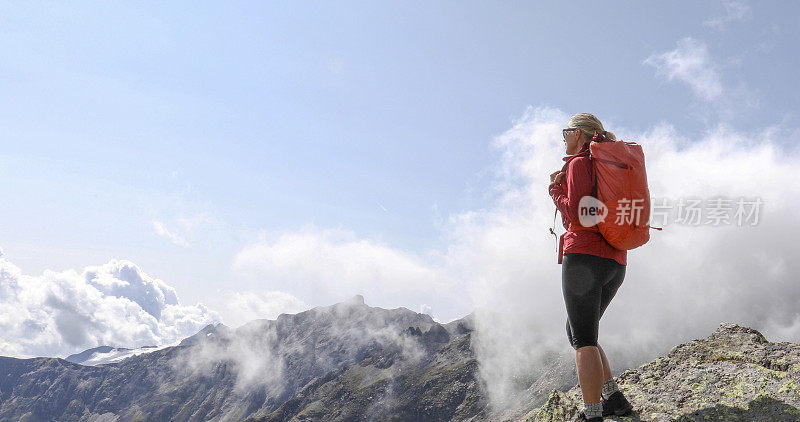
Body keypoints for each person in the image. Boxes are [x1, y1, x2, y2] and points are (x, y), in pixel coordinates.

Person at [548, 113, 634, 422]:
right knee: (580, 330)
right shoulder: (609, 163)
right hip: (616, 259)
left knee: (583, 339)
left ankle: (592, 414)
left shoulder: (579, 164)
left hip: (585, 258)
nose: (563, 137)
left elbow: (578, 213)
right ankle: (613, 398)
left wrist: (554, 191)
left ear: (580, 134)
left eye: (566, 131)